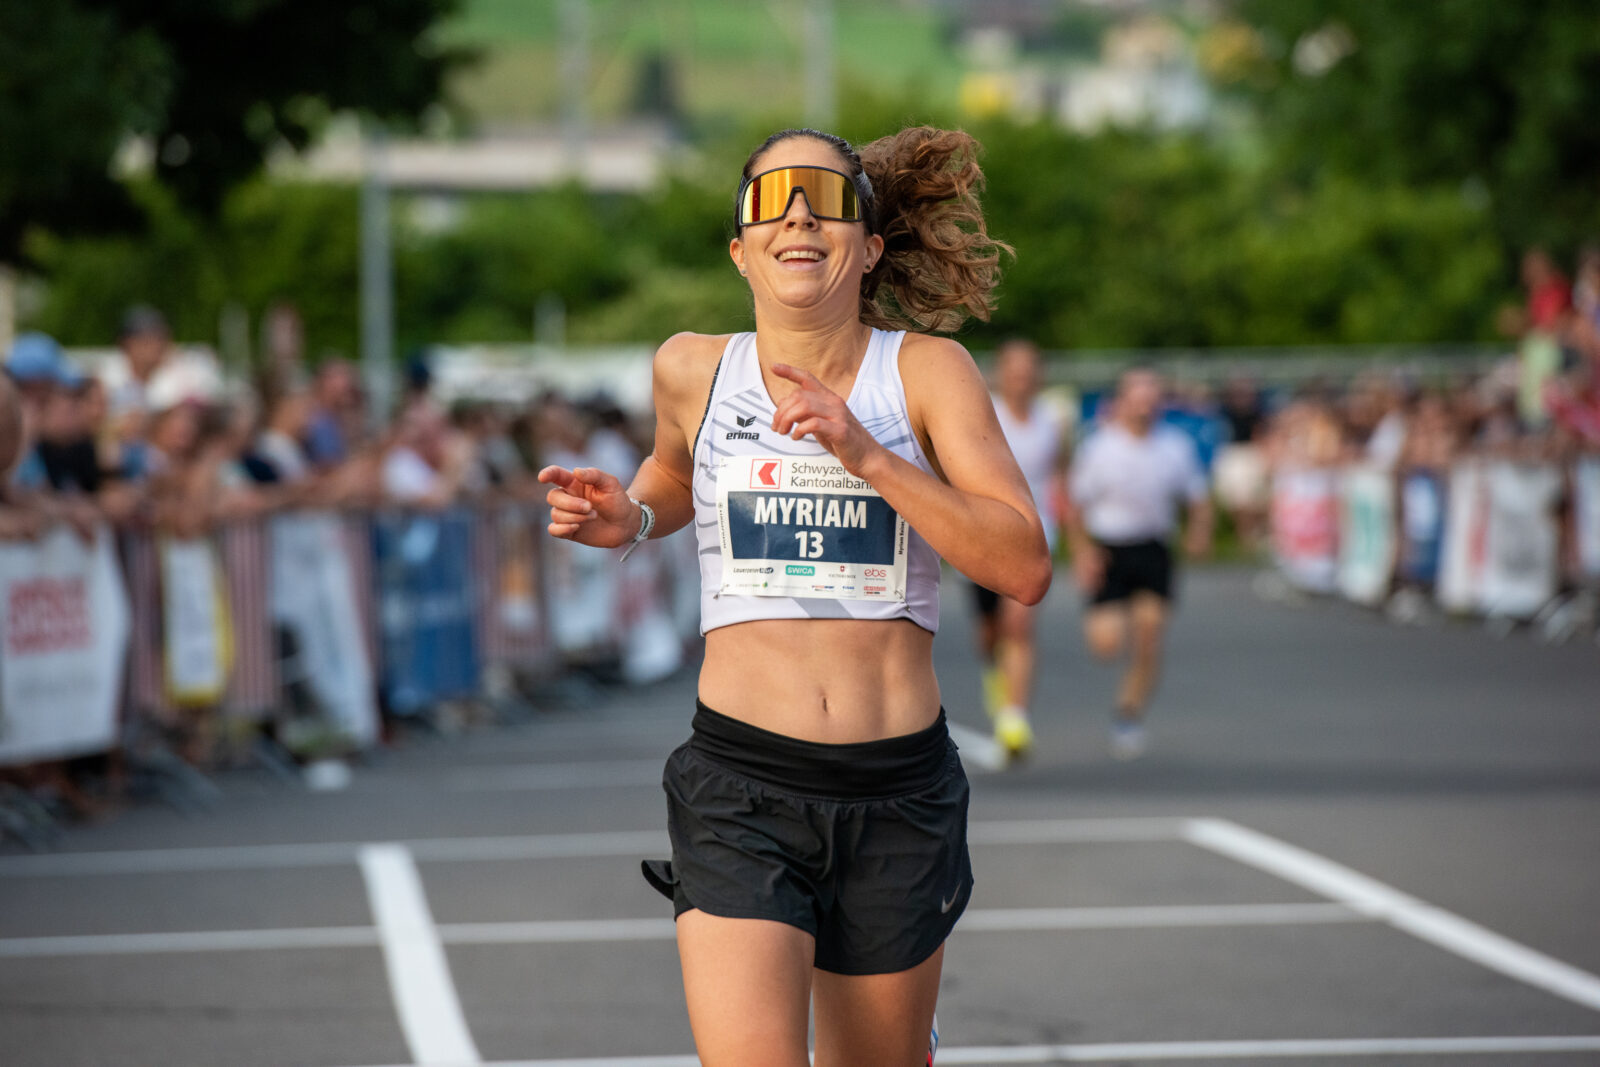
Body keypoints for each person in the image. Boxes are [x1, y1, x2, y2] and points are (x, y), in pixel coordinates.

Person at [538, 126, 1049, 1067]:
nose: (800, 215)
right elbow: (672, 472)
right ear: (741, 250)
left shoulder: (926, 372)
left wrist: (866, 453)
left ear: (870, 246)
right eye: (772, 200)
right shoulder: (691, 366)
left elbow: (1022, 565)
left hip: (896, 789)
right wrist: (632, 516)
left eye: (826, 198)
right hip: (741, 784)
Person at [1067, 367, 1212, 760]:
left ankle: (1127, 714)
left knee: (1150, 635)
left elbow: (1197, 496)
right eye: (1139, 395)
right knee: (1107, 645)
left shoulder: (1174, 446)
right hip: (1110, 549)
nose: (1146, 403)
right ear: (1123, 401)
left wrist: (1198, 531)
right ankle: (1119, 622)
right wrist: (1083, 552)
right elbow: (1075, 505)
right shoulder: (1100, 447)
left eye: (1153, 395)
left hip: (1154, 548)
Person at [969, 338, 1068, 759]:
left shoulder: (1053, 420)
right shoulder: (982, 411)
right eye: (1014, 371)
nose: (1022, 379)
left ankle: (1014, 718)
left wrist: (1077, 537)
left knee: (1019, 625)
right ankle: (996, 673)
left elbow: (1062, 475)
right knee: (989, 632)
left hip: (1034, 534)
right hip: (983, 534)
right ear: (1001, 374)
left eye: (1029, 371)